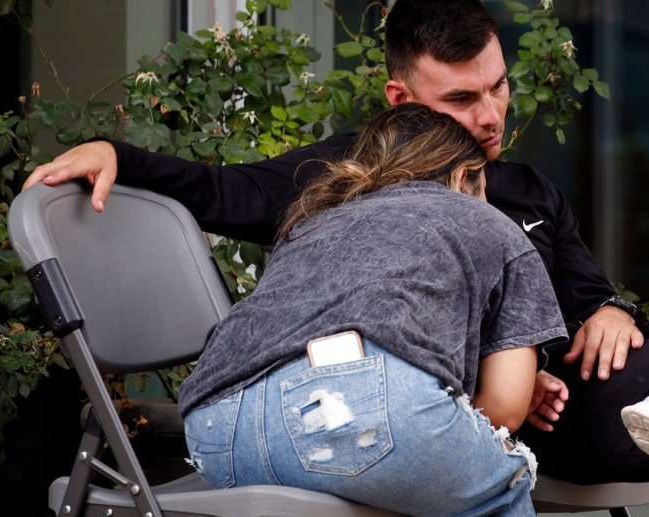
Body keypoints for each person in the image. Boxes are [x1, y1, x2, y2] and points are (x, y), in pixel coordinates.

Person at [23, 0, 649, 515]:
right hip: (530, 412)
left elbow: (588, 292)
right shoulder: (349, 176)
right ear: (401, 100)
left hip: (623, 378)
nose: (491, 115)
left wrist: (610, 308)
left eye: (497, 88)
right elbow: (219, 189)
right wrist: (118, 154)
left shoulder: (530, 188)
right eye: (462, 100)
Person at [177, 103, 567, 516]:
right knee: (503, 484)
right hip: (360, 415)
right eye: (483, 187)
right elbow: (505, 407)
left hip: (215, 429)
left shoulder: (312, 221)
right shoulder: (494, 225)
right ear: (463, 176)